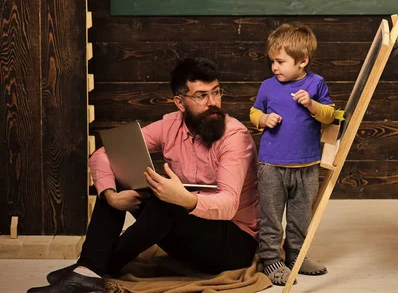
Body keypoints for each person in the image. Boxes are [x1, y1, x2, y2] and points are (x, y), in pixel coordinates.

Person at [28, 58, 260, 293]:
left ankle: (88, 268)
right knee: (119, 176)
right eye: (201, 96)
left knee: (168, 203)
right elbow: (104, 155)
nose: (213, 102)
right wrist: (111, 196)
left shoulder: (235, 138)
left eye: (216, 92)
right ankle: (88, 270)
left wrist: (183, 199)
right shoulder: (170, 126)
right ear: (179, 102)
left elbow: (229, 204)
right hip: (187, 230)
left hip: (233, 243)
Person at [249, 24, 335, 285]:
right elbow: (253, 113)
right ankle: (271, 258)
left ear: (302, 61)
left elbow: (329, 114)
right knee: (272, 216)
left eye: (280, 62)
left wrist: (311, 104)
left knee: (301, 216)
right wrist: (263, 119)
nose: (275, 67)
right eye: (272, 61)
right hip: (272, 165)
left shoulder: (316, 83)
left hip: (307, 164)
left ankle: (297, 254)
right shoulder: (267, 86)